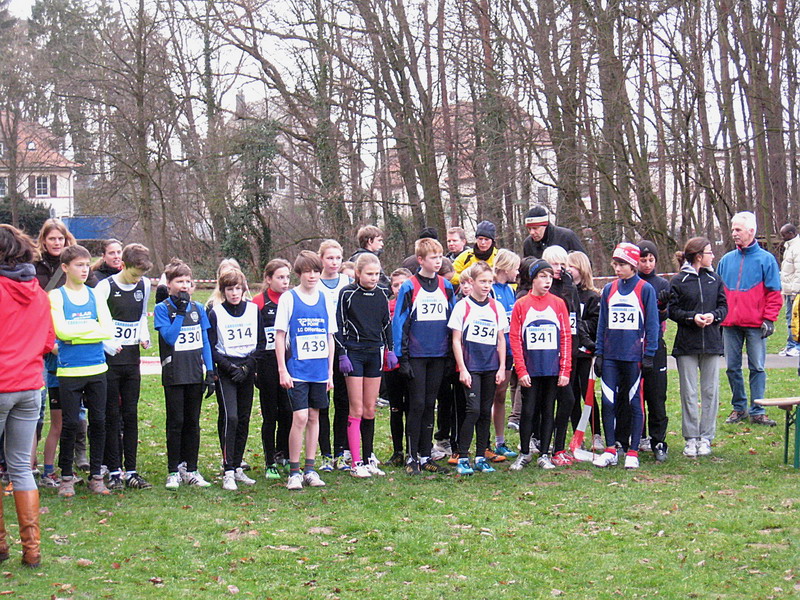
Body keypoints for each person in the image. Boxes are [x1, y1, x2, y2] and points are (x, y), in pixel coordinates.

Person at [0, 224, 55, 567]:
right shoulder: (38, 293)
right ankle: (31, 550)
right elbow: (48, 341)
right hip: (30, 385)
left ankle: (1, 545)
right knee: (21, 468)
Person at [49, 245, 113, 496]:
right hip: (69, 372)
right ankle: (66, 476)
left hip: (97, 368)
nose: (85, 270)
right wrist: (90, 330)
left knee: (99, 422)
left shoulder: (96, 295)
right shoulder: (56, 296)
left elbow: (107, 330)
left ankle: (96, 475)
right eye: (79, 265)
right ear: (65, 267)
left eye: (87, 265)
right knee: (70, 424)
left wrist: (76, 335)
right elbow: (61, 331)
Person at [34, 219, 94, 478]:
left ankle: (75, 456)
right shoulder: (35, 267)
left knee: (75, 412)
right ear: (44, 241)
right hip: (45, 341)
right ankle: (33, 466)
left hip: (73, 343)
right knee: (41, 411)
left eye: (60, 238)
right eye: (52, 239)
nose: (57, 242)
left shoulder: (79, 266)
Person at [593, 243, 659, 470]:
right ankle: (610, 449)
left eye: (622, 264)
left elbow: (652, 324)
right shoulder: (609, 289)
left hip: (634, 357)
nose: (617, 269)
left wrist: (649, 354)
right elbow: (602, 324)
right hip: (611, 356)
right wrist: (599, 353)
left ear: (632, 265)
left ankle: (633, 451)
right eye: (615, 264)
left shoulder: (645, 289)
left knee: (634, 402)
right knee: (608, 401)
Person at [392, 237, 456, 475]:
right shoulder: (409, 286)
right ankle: (412, 457)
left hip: (439, 355)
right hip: (416, 356)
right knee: (417, 404)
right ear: (420, 259)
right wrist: (402, 357)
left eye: (440, 257)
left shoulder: (446, 286)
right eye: (433, 257)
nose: (438, 261)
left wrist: (451, 355)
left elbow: (453, 321)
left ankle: (426, 455)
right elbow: (399, 322)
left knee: (430, 404)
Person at [275, 251, 337, 490]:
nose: (312, 276)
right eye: (307, 272)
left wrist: (330, 372)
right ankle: (294, 471)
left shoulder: (325, 298)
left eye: (316, 271)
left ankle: (310, 469)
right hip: (297, 369)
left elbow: (330, 337)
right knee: (300, 417)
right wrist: (282, 369)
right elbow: (280, 336)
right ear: (299, 274)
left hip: (319, 370)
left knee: (314, 417)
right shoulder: (289, 298)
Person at [94, 244, 153, 490]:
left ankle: (132, 470)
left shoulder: (144, 285)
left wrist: (144, 336)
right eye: (134, 274)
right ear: (123, 265)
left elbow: (141, 315)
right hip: (110, 362)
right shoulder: (105, 287)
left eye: (141, 275)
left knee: (130, 414)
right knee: (111, 415)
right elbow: (96, 320)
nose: (137, 279)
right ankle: (114, 470)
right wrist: (107, 343)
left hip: (131, 360)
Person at [154, 259, 215, 489]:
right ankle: (173, 470)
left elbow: (205, 341)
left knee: (192, 422)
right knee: (176, 421)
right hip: (174, 374)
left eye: (188, 282)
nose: (184, 286)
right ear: (169, 284)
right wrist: (180, 313)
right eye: (180, 281)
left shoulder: (198, 308)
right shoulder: (162, 309)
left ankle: (192, 469)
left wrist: (210, 371)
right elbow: (170, 338)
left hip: (194, 373)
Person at [718, 211, 782, 426]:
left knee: (757, 367)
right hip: (730, 324)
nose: (734, 233)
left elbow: (774, 293)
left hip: (756, 324)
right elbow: (718, 292)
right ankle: (739, 408)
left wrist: (769, 319)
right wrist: (719, 317)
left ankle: (758, 409)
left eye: (738, 229)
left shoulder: (766, 260)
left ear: (751, 231)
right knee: (732, 367)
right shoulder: (726, 260)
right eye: (733, 229)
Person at [508, 259, 572, 470]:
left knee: (548, 410)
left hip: (552, 369)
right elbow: (515, 338)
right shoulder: (522, 304)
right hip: (531, 369)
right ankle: (525, 452)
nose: (547, 281)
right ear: (533, 279)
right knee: (528, 411)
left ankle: (544, 453)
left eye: (550, 277)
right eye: (542, 277)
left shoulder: (558, 303)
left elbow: (565, 337)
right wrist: (521, 369)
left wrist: (565, 369)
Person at [337, 253, 395, 478]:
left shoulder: (381, 293)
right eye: (369, 274)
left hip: (374, 352)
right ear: (358, 273)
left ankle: (369, 457)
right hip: (354, 353)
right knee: (357, 408)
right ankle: (355, 461)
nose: (373, 278)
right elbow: (339, 324)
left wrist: (390, 349)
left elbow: (386, 323)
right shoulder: (347, 293)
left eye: (377, 274)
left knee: (370, 409)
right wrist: (342, 354)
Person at [669, 237, 727, 458]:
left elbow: (723, 307)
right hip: (687, 344)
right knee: (689, 392)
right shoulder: (678, 280)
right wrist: (692, 318)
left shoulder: (715, 279)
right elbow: (673, 310)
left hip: (711, 343)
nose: (713, 256)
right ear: (699, 256)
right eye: (710, 252)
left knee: (710, 391)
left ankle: (706, 437)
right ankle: (691, 437)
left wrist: (714, 316)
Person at [208, 268, 265, 491]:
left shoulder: (253, 310)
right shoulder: (216, 313)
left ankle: (238, 465)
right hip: (227, 369)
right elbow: (211, 347)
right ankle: (228, 469)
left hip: (247, 367)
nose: (234, 293)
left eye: (237, 288)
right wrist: (228, 367)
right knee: (230, 417)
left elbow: (261, 343)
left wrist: (248, 366)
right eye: (229, 289)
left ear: (243, 289)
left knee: (243, 418)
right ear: (223, 291)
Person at [449, 261, 508, 475]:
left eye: (489, 282)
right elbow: (456, 340)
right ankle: (463, 456)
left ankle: (481, 456)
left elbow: (500, 339)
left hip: (490, 366)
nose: (486, 286)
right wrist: (463, 368)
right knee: (472, 410)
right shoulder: (462, 306)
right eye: (482, 281)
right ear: (471, 282)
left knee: (484, 411)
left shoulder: (496, 306)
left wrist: (502, 367)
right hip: (471, 366)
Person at [539, 245, 581, 465]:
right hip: (548, 353)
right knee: (549, 402)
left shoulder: (569, 286)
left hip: (568, 351)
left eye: (562, 264)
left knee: (568, 400)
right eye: (554, 264)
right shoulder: (546, 289)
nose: (558, 268)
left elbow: (574, 317)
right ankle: (544, 444)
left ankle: (559, 446)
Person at [252, 259, 293, 479]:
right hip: (267, 365)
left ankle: (283, 454)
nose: (285, 281)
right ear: (268, 279)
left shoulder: (292, 299)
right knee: (270, 415)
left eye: (287, 277)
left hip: (289, 363)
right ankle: (269, 462)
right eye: (280, 277)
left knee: (288, 411)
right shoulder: (258, 302)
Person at [316, 240, 352, 472]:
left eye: (338, 258)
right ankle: (325, 454)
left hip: (344, 348)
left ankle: (341, 451)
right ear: (321, 259)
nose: (334, 262)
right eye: (330, 258)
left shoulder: (348, 282)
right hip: (319, 348)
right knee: (322, 403)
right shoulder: (315, 283)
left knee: (343, 401)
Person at [633, 240, 671, 462]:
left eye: (651, 260)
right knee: (633, 394)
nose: (647, 264)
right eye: (643, 260)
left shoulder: (662, 284)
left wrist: (663, 306)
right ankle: (637, 436)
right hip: (633, 346)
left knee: (656, 395)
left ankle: (658, 440)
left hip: (655, 345)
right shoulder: (630, 283)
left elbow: (665, 315)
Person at [566, 251, 602, 451]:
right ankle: (577, 434)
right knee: (571, 396)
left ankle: (597, 434)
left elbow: (595, 323)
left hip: (585, 352)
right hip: (569, 353)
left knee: (587, 394)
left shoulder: (592, 296)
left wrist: (580, 327)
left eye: (571, 266)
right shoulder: (565, 293)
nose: (568, 270)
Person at [489, 249, 521, 461]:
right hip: (493, 351)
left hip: (509, 351)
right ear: (506, 267)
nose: (517, 272)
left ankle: (500, 441)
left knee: (501, 395)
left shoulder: (510, 290)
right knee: (489, 396)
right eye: (515, 268)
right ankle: (483, 443)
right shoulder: (491, 289)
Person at [385, 268, 412, 466]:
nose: (399, 288)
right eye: (396, 285)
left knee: (412, 407)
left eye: (403, 284)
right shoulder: (387, 307)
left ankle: (413, 449)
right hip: (390, 365)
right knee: (395, 408)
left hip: (410, 362)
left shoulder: (414, 306)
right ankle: (397, 451)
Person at [522, 205, 586, 259]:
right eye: (529, 229)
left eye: (535, 228)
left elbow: (584, 263)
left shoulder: (566, 236)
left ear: (545, 225)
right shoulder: (528, 244)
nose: (532, 232)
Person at [451, 221, 499, 285]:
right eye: (480, 239)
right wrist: (467, 280)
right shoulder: (467, 255)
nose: (483, 242)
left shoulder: (499, 257)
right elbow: (451, 274)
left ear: (492, 241)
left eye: (486, 239)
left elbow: (509, 277)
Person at [779, 224, 800, 357]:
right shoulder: (789, 247)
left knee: (794, 319)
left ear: (791, 233)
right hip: (788, 289)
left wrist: (795, 291)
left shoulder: (797, 248)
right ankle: (791, 344)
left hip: (794, 291)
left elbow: (799, 271)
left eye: (784, 235)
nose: (782, 237)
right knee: (789, 318)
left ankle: (795, 345)